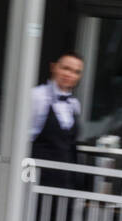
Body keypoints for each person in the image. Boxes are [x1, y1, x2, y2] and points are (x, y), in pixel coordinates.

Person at [30, 52, 86, 190]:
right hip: (38, 178)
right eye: (65, 68)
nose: (69, 75)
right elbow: (23, 139)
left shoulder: (74, 104)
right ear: (54, 67)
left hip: (65, 180)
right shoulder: (36, 96)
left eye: (76, 72)